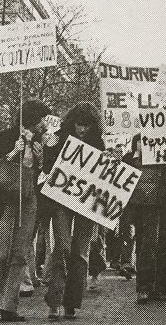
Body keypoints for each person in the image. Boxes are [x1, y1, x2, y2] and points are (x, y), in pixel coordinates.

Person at [0, 99, 51, 322]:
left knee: (19, 254)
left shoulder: (43, 141)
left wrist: (43, 159)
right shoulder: (6, 136)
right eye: (42, 119)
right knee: (0, 254)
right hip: (4, 200)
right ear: (33, 119)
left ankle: (9, 306)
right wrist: (14, 152)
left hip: (29, 199)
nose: (44, 124)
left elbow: (45, 173)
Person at [42, 102, 105, 320]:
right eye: (79, 125)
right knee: (62, 248)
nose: (82, 130)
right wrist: (49, 147)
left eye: (87, 126)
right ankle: (55, 300)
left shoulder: (98, 143)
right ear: (72, 123)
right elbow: (46, 166)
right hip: (62, 201)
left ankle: (71, 303)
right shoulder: (58, 137)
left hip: (86, 203)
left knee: (80, 252)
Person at [124, 133, 166, 304]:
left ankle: (160, 289)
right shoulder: (129, 158)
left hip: (163, 201)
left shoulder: (164, 155)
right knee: (146, 244)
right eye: (140, 141)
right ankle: (144, 288)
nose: (143, 144)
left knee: (163, 243)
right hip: (142, 206)